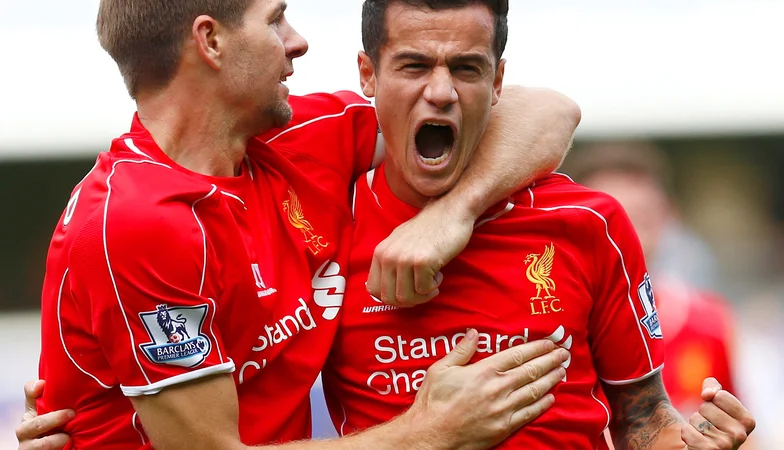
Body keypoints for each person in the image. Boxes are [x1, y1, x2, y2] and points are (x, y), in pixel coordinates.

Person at [16, 0, 582, 449]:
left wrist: (450, 214)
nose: (299, 41)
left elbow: (549, 111)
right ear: (210, 41)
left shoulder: (298, 138)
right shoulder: (137, 220)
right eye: (276, 18)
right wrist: (430, 431)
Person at [320, 1, 755, 449]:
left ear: (498, 82)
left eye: (467, 69)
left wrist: (690, 442)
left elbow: (643, 418)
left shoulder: (588, 222)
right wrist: (428, 433)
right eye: (414, 66)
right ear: (368, 73)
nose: (442, 91)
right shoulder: (323, 229)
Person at [565, 142, 740, 418]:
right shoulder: (548, 328)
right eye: (611, 219)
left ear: (669, 216)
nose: (628, 235)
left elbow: (745, 430)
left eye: (642, 218)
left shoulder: (708, 322)